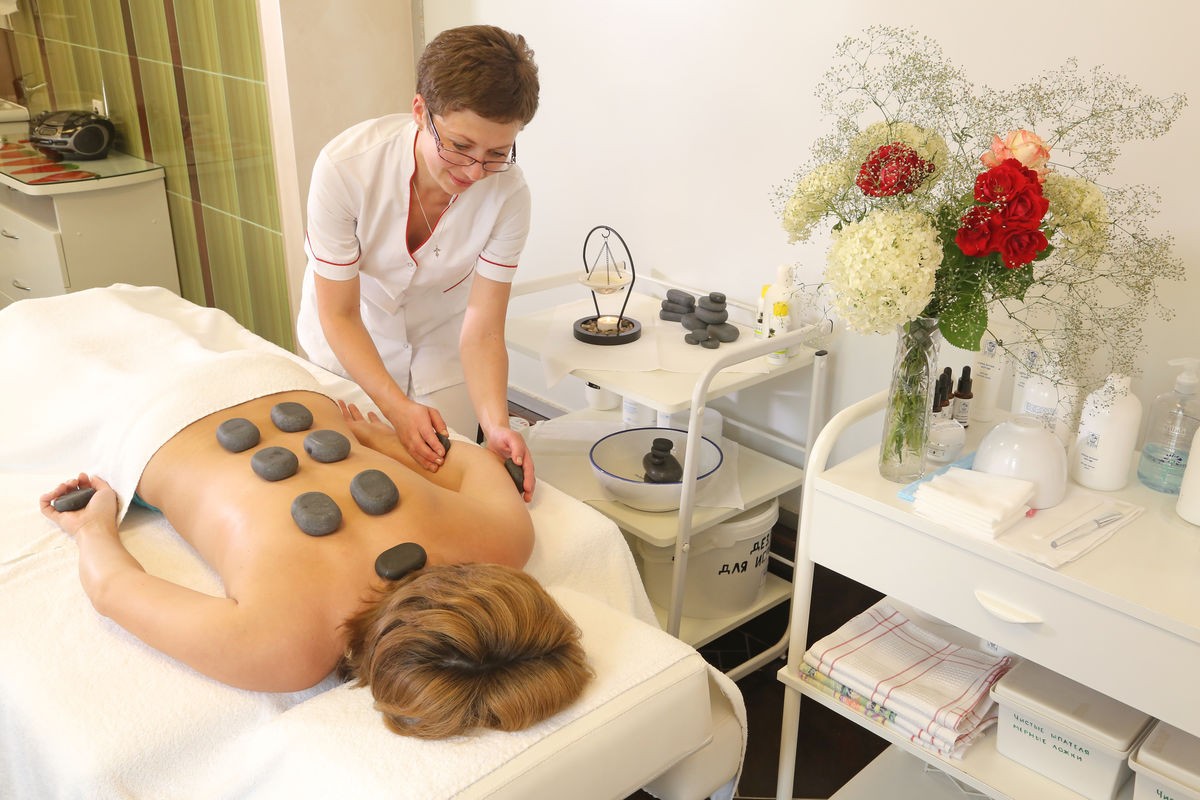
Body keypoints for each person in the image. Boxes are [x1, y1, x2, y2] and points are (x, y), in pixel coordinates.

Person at [40, 392, 592, 738]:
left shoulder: (504, 541)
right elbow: (112, 588)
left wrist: (379, 440)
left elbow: (472, 461)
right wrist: (92, 526)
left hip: (282, 385)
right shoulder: (284, 650)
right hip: (152, 423)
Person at [296, 24, 540, 501]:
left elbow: (484, 330)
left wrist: (497, 424)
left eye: (496, 153)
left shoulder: (509, 196)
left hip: (440, 347)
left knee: (444, 484)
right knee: (349, 483)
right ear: (419, 111)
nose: (474, 171)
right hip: (349, 342)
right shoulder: (346, 169)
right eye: (459, 146)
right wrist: (394, 407)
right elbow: (338, 314)